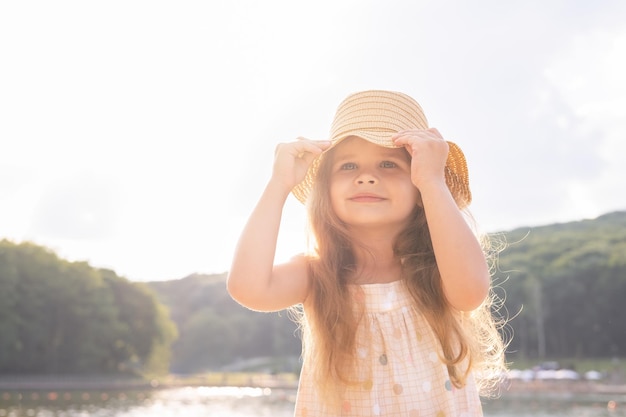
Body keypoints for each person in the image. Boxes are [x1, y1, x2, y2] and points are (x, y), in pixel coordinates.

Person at [227, 90, 507, 416]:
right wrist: (279, 184)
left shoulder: (438, 268)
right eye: (348, 166)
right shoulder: (319, 273)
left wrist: (433, 181)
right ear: (326, 191)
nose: (366, 176)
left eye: (389, 163)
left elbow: (471, 291)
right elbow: (248, 288)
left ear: (419, 188)